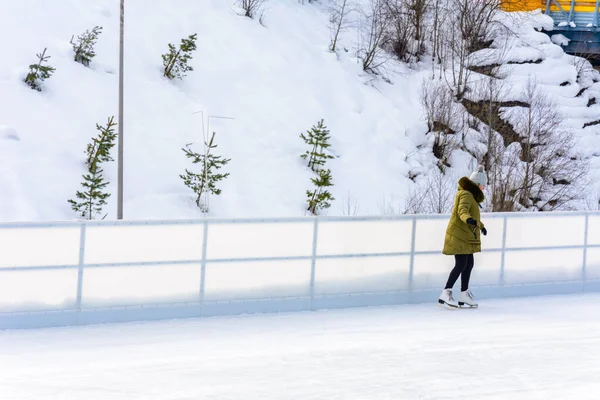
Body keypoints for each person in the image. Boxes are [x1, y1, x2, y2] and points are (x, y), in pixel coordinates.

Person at [438, 166, 487, 309]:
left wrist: (481, 226)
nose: (484, 187)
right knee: (461, 264)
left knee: (469, 264)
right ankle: (445, 292)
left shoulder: (470, 195)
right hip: (459, 235)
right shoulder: (465, 194)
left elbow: (472, 215)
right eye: (483, 185)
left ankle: (464, 293)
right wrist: (468, 220)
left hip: (466, 235)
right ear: (477, 184)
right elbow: (463, 211)